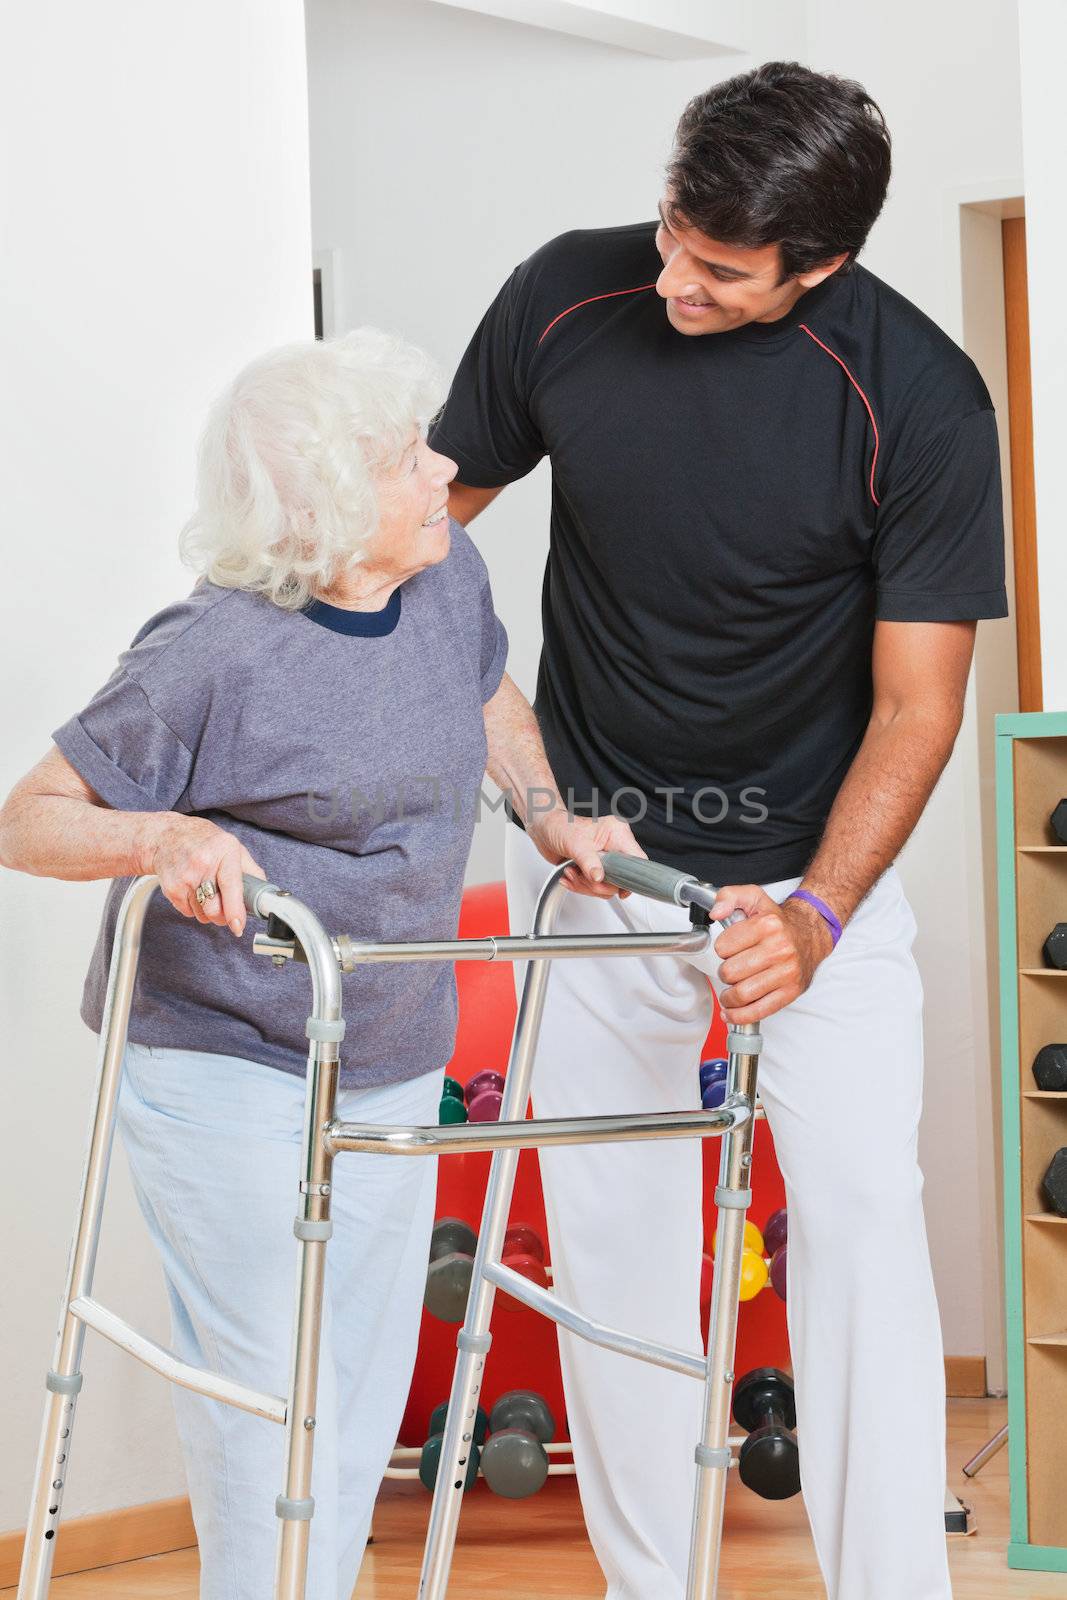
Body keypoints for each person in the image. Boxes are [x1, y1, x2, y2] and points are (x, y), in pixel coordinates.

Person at [429, 60, 1007, 1600]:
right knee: (615, 1233)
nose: (672, 279)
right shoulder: (565, 296)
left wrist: (812, 918)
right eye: (674, 233)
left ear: (818, 265)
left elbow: (917, 709)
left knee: (859, 1215)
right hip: (596, 862)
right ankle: (646, 1584)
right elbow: (409, 543)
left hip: (811, 888)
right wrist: (538, 797)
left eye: (720, 269)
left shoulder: (922, 397)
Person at [0, 328, 639, 1600]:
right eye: (411, 455)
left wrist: (549, 812)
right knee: (271, 1383)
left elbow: (487, 695)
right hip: (223, 1059)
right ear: (335, 504)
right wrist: (164, 833)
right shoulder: (213, 650)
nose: (446, 466)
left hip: (387, 1042)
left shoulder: (443, 581)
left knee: (349, 1375)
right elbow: (29, 817)